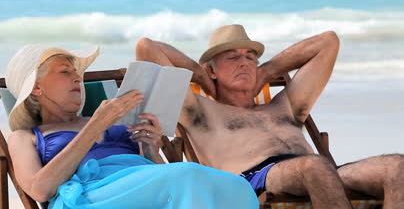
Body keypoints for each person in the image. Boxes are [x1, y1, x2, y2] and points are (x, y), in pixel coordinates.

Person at [136, 24, 404, 209]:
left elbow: (329, 41)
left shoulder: (285, 105)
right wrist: (201, 76)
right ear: (212, 70)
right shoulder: (201, 112)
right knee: (316, 166)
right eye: (232, 58)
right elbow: (147, 48)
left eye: (250, 57)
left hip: (321, 175)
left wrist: (266, 71)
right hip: (255, 181)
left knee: (396, 166)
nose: (244, 62)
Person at [5, 44, 259, 209]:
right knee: (187, 174)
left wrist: (150, 150)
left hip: (141, 185)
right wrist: (96, 126)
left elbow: (157, 177)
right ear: (35, 88)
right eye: (64, 71)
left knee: (236, 187)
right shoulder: (24, 136)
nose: (76, 77)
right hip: (92, 195)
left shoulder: (108, 119)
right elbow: (39, 190)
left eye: (76, 72)